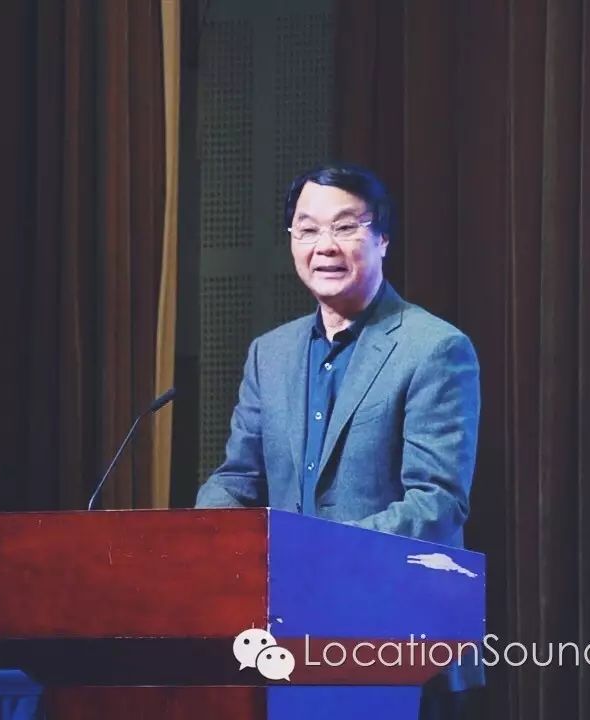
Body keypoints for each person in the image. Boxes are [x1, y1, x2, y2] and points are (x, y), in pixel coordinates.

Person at [195, 163, 482, 717]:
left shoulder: (433, 348)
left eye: (345, 227)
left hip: (396, 638)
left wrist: (314, 557)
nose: (324, 245)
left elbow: (437, 502)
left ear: (382, 238)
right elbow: (238, 477)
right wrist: (199, 543)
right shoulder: (270, 353)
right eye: (307, 229)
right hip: (281, 641)